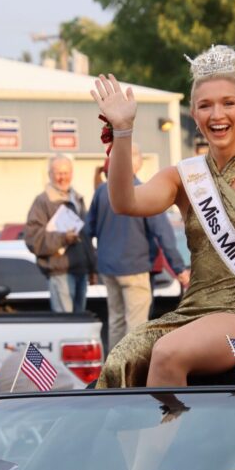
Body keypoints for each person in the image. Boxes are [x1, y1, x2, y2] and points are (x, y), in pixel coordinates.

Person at [90, 45, 235, 388]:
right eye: (205, 105)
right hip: (193, 313)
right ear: (193, 114)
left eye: (228, 103)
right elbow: (125, 201)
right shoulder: (185, 176)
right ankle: (131, 442)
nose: (217, 114)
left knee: (167, 353)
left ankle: (169, 443)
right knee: (122, 357)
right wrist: (123, 130)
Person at [87, 143, 190, 351]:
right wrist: (179, 268)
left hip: (108, 268)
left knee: (115, 322)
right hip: (135, 268)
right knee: (136, 326)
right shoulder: (143, 191)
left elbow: (89, 229)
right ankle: (131, 377)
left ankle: (113, 374)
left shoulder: (100, 192)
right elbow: (162, 233)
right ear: (137, 163)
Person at [24, 155, 97, 313]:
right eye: (58, 173)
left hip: (81, 271)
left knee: (79, 328)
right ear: (49, 174)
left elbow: (86, 238)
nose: (62, 177)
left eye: (65, 173)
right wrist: (63, 238)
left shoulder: (77, 199)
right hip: (60, 272)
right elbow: (32, 239)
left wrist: (92, 268)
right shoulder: (42, 202)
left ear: (72, 174)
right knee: (67, 326)